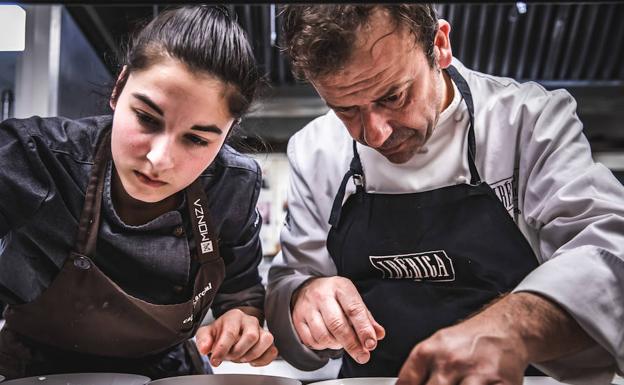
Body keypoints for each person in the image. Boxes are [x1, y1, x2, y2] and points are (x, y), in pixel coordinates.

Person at [265, 4, 624, 385]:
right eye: (345, 110)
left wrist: (509, 328)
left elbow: (608, 252)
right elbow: (291, 280)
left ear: (439, 45)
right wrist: (304, 297)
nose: (375, 135)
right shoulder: (315, 149)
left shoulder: (528, 120)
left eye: (393, 97)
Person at [0, 5, 277, 380]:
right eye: (147, 118)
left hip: (166, 374)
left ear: (227, 135)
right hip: (32, 371)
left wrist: (240, 323)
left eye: (196, 139)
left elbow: (241, 293)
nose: (159, 159)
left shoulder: (232, 186)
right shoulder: (32, 156)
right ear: (119, 88)